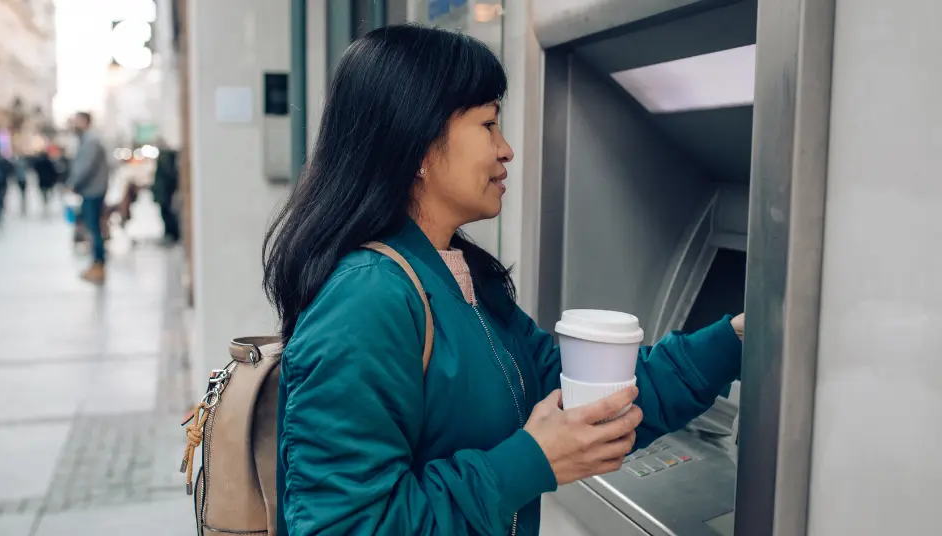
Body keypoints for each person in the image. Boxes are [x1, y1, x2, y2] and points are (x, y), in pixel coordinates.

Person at [263, 25, 745, 536]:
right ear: (419, 145)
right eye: (488, 124)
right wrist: (530, 462)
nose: (507, 149)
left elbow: (595, 402)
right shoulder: (365, 299)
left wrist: (734, 340)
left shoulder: (460, 280)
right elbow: (346, 526)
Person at [67, 111, 110, 284]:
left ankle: (98, 265)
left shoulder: (90, 141)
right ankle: (96, 264)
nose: (74, 124)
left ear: (85, 121)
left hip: (93, 191)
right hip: (93, 190)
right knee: (92, 228)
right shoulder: (88, 140)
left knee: (93, 229)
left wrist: (73, 183)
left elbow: (84, 166)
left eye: (77, 121)